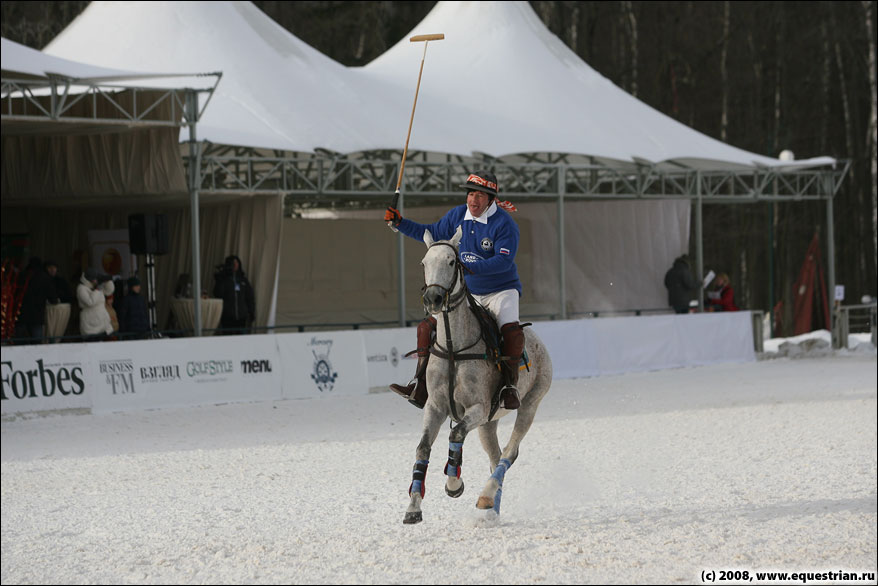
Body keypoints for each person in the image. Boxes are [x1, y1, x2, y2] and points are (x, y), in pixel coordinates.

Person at [384, 170, 524, 410]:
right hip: (469, 292)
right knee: (426, 327)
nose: (473, 200)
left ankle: (508, 387)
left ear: (491, 199)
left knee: (511, 331)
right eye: (471, 194)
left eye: (480, 195)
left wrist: (469, 267)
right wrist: (399, 223)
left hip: (500, 290)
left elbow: (504, 262)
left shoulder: (504, 225)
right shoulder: (458, 214)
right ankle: (419, 384)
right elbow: (430, 233)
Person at [15, 256, 58, 343]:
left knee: (18, 343)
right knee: (37, 344)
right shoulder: (44, 278)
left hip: (21, 315)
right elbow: (53, 299)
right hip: (36, 316)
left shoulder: (21, 276)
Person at [212, 255, 255, 335]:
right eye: (233, 263)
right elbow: (218, 294)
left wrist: (251, 311)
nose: (235, 265)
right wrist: (219, 279)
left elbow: (249, 296)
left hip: (242, 317)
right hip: (227, 316)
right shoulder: (224, 280)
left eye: (237, 262)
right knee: (228, 339)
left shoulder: (243, 280)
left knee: (241, 340)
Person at [77, 267, 115, 340]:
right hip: (91, 325)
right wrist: (98, 289)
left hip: (102, 324)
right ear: (89, 279)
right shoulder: (81, 288)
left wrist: (107, 280)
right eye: (95, 279)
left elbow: (109, 291)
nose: (96, 280)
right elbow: (90, 302)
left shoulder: (96, 287)